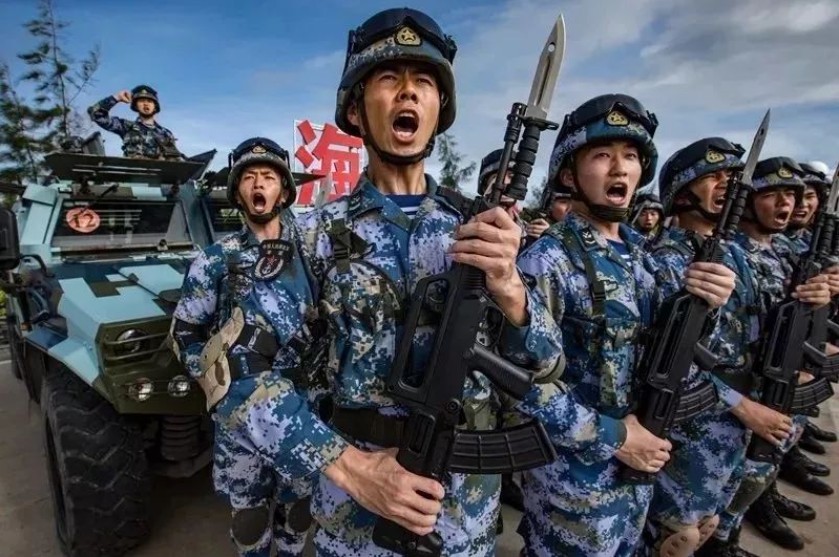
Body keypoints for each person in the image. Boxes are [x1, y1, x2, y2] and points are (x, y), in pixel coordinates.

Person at [295, 8, 560, 556]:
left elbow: (548, 367)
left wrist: (511, 287)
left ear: (440, 110)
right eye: (389, 78)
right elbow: (241, 378)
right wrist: (349, 467)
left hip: (467, 519)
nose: (408, 92)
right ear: (355, 109)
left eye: (424, 81)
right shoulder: (311, 236)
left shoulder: (486, 229)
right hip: (355, 521)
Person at [510, 94, 735, 557]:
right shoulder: (548, 259)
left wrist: (706, 308)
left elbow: (677, 358)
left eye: (630, 156)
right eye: (602, 155)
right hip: (572, 484)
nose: (620, 168)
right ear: (569, 175)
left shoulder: (643, 257)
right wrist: (614, 438)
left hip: (640, 470)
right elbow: (520, 385)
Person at [170, 137, 326, 557]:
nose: (259, 184)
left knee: (299, 512)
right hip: (242, 410)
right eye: (250, 177)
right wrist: (212, 380)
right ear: (237, 192)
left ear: (284, 191)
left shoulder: (312, 254)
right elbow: (185, 331)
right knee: (250, 520)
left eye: (269, 177)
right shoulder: (215, 259)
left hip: (302, 404)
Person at [643, 137, 791, 557]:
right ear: (683, 191)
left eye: (733, 176)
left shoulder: (736, 256)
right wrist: (744, 407)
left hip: (736, 422)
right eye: (714, 176)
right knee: (673, 536)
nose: (729, 184)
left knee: (708, 525)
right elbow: (666, 357)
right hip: (693, 425)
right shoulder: (669, 259)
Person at [704, 157, 832, 554]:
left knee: (756, 475)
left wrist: (820, 302)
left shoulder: (786, 254)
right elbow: (701, 352)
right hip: (731, 402)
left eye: (792, 195)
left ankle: (730, 537)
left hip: (774, 390)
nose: (787, 204)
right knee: (709, 505)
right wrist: (742, 405)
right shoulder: (724, 256)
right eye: (773, 194)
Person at [87, 84, 182, 159]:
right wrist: (116, 97)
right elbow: (96, 114)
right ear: (136, 106)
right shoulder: (126, 126)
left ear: (155, 106)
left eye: (149, 101)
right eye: (141, 101)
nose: (146, 104)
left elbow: (176, 161)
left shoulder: (166, 134)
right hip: (134, 175)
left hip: (160, 176)